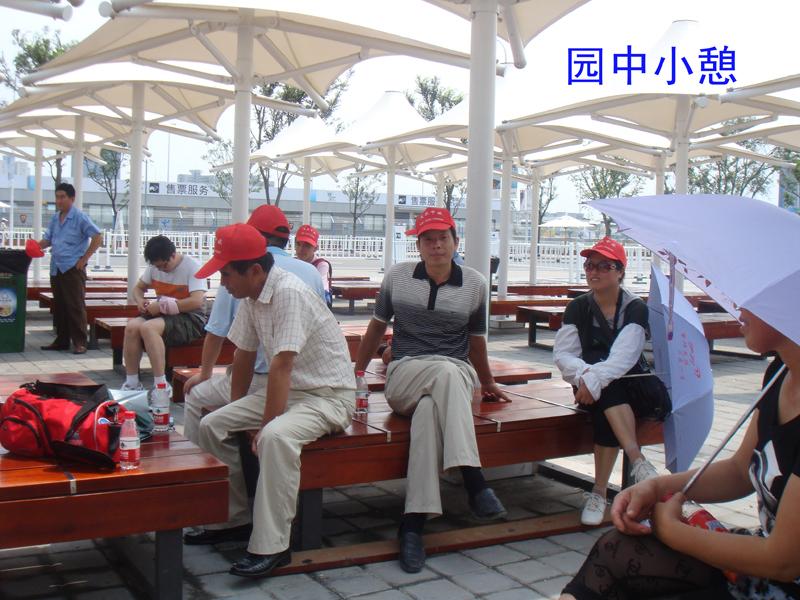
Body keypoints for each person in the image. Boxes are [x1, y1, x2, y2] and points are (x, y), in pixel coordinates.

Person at [560, 310, 800, 600]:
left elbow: (783, 560)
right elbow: (740, 470)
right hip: (763, 567)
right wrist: (657, 486)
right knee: (615, 549)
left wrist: (673, 531)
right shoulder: (781, 373)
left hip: (780, 579)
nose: (740, 309)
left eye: (754, 301)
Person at [186, 223, 354, 579]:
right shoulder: (251, 296)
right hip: (293, 391)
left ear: (254, 270)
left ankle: (273, 546)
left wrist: (263, 427)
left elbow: (282, 365)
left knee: (275, 437)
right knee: (212, 423)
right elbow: (243, 356)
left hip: (328, 396)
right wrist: (237, 412)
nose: (222, 283)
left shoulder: (288, 293)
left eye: (225, 274)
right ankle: (233, 520)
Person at [355, 206, 510, 574]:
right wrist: (357, 373)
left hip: (455, 375)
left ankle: (412, 525)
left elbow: (476, 341)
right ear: (418, 245)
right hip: (405, 374)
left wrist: (488, 381)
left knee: (430, 410)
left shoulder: (475, 284)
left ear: (456, 241)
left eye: (443, 238)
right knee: (445, 372)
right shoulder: (397, 277)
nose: (436, 245)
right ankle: (472, 478)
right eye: (428, 239)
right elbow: (376, 327)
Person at [183, 205, 325, 446]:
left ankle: (203, 464)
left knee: (195, 396)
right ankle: (233, 461)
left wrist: (205, 374)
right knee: (226, 421)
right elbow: (246, 352)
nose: (224, 282)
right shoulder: (310, 272)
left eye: (225, 275)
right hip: (305, 381)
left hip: (276, 383)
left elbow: (216, 332)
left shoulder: (243, 271)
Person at [553, 237, 662, 526]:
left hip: (633, 386)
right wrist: (587, 377)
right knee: (606, 390)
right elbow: (563, 354)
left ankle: (599, 492)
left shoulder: (635, 308)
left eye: (604, 266)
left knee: (608, 391)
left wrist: (592, 380)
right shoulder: (578, 307)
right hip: (590, 389)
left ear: (620, 271)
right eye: (590, 265)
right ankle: (637, 462)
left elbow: (624, 357)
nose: (594, 272)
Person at [120, 235, 207, 400]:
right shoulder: (154, 267)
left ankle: (161, 385)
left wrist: (161, 306)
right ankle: (132, 383)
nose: (161, 270)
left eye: (164, 265)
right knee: (132, 327)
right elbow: (138, 289)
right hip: (163, 313)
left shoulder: (192, 266)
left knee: (148, 328)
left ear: (173, 255)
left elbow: (196, 301)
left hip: (190, 317)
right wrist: (140, 300)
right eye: (157, 267)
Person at [37, 183, 103, 354]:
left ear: (72, 199)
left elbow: (97, 237)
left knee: (75, 305)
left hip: (73, 268)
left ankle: (80, 342)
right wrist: (33, 247)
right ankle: (62, 340)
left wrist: (84, 259)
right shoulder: (55, 218)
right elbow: (48, 239)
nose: (59, 200)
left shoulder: (80, 217)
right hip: (56, 267)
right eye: (57, 197)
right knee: (59, 305)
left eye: (62, 197)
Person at [294, 224, 333, 307]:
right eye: (298, 244)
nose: (301, 249)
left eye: (307, 246)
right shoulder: (292, 262)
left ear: (315, 248)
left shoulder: (321, 265)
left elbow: (322, 290)